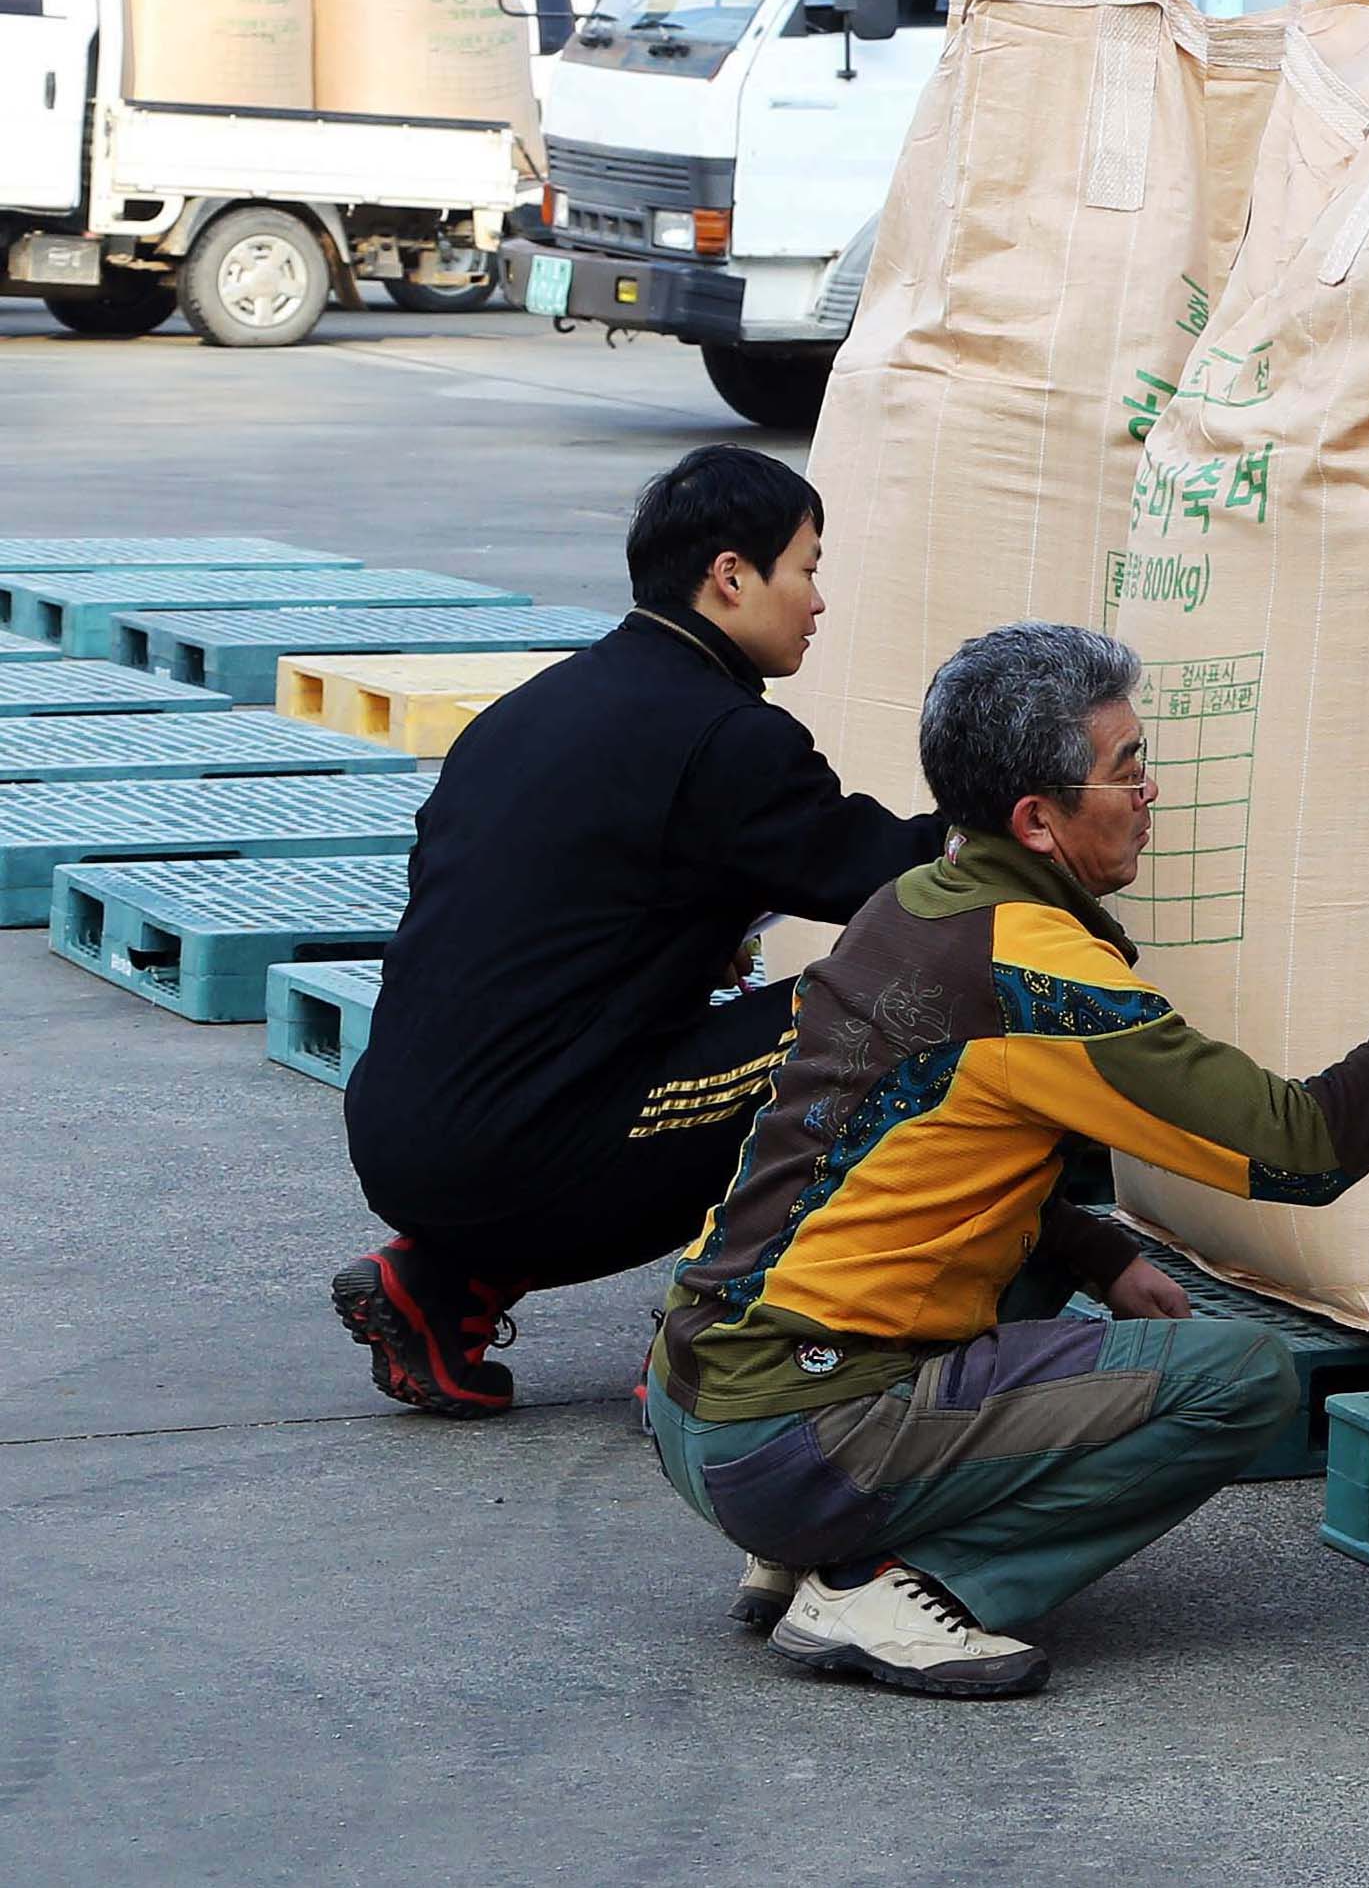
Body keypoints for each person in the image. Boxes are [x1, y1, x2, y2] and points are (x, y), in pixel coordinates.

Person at [645, 620, 1369, 1696]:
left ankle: (802, 1540)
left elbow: (903, 1152)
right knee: (1238, 1381)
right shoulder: (1036, 969)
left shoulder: (915, 903)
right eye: (1128, 768)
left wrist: (1097, 1253)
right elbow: (1308, 1150)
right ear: (1039, 821)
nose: (1150, 790)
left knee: (1040, 1232)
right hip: (793, 1432)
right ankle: (909, 1587)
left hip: (695, 1403)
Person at [333, 445, 945, 1418]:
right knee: (882, 1018)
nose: (819, 601)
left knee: (665, 1041)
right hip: (529, 1150)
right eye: (808, 568)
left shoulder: (535, 709)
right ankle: (720, 1342)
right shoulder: (723, 736)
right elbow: (896, 879)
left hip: (401, 1132)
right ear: (732, 576)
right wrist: (1029, 823)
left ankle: (439, 1287)